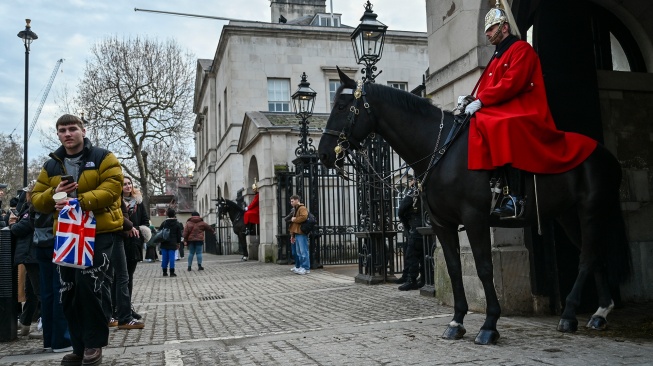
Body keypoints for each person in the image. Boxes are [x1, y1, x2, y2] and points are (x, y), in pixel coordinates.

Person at [464, 0, 597, 218]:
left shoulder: (521, 49)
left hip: (525, 107)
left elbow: (512, 82)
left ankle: (515, 197)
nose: (487, 34)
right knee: (475, 124)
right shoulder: (496, 57)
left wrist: (482, 101)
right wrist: (472, 99)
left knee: (503, 124)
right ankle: (491, 184)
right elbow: (489, 88)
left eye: (490, 28)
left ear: (504, 27)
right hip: (505, 105)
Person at [31, 113, 123, 366]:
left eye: (72, 129)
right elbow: (36, 199)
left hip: (99, 233)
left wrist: (77, 202)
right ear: (58, 134)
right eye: (62, 130)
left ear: (83, 130)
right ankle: (79, 347)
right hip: (67, 236)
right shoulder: (51, 165)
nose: (67, 134)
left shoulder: (103, 157)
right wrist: (54, 194)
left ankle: (94, 345)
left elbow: (112, 189)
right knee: (68, 292)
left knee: (90, 289)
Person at [105, 199, 144, 330]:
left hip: (114, 233)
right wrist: (129, 224)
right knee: (121, 277)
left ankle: (110, 315)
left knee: (109, 277)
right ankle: (124, 317)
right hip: (115, 232)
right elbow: (114, 212)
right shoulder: (111, 188)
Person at [10, 182, 42, 337]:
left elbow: (20, 228)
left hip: (32, 254)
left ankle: (44, 326)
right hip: (31, 254)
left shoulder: (33, 209)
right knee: (32, 293)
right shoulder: (30, 208)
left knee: (38, 291)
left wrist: (12, 224)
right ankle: (25, 324)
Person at [122, 176, 149, 320]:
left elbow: (145, 220)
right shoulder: (116, 202)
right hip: (120, 241)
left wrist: (136, 229)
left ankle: (127, 307)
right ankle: (119, 308)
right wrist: (127, 227)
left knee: (129, 277)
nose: (128, 186)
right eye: (124, 184)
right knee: (120, 277)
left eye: (129, 183)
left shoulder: (138, 202)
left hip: (133, 243)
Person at [396, 177, 425, 291]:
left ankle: (411, 279)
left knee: (411, 255)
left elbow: (401, 209)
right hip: (427, 226)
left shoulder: (414, 191)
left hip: (415, 226)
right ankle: (424, 279)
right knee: (424, 255)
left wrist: (405, 224)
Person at [288, 195, 310, 275]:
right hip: (297, 232)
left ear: (297, 200)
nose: (291, 203)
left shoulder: (302, 208)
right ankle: (301, 266)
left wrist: (295, 219)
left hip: (301, 232)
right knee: (299, 252)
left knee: (303, 251)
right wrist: (292, 235)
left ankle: (306, 268)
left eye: (292, 201)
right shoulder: (296, 209)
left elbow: (304, 217)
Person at [159, 208, 182, 277]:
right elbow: (179, 235)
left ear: (167, 215)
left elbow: (160, 232)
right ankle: (172, 272)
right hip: (173, 243)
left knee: (164, 258)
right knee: (172, 257)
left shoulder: (164, 223)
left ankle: (164, 272)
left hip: (164, 242)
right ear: (174, 215)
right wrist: (178, 243)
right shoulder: (177, 224)